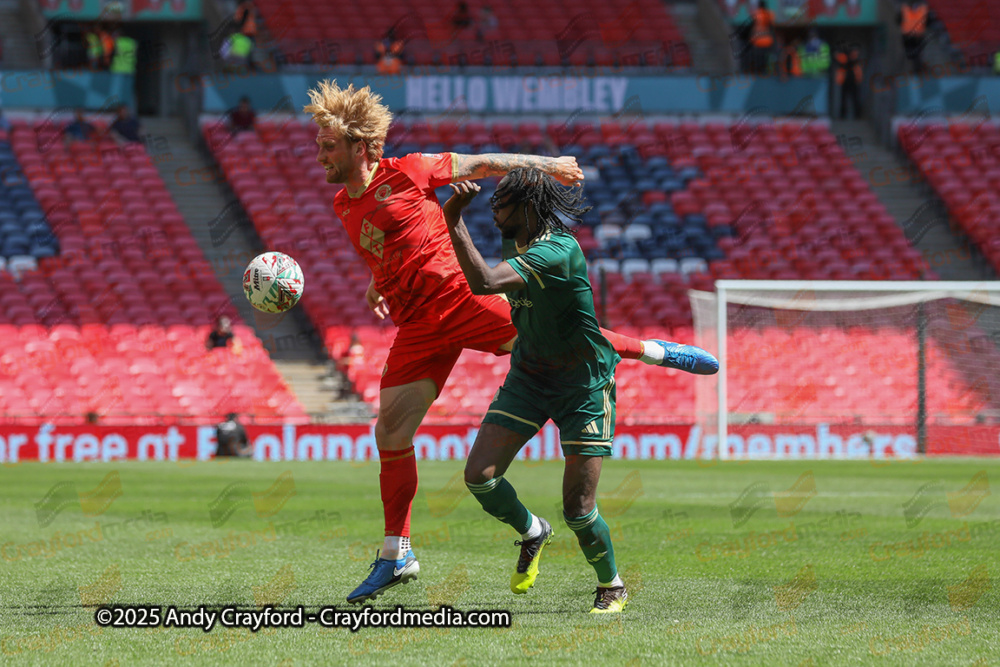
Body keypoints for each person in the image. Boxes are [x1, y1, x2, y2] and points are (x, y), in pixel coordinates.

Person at [303, 79, 718, 604]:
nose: (320, 154)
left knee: (555, 331)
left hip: (463, 298)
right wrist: (377, 283)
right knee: (390, 431)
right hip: (419, 326)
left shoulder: (409, 169)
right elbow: (388, 246)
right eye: (319, 144)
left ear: (359, 146)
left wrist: (549, 165)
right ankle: (401, 552)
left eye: (328, 145)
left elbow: (483, 163)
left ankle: (652, 350)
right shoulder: (343, 204)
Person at [442, 173, 639, 613]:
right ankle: (533, 531)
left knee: (578, 509)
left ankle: (612, 585)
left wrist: (453, 218)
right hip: (529, 377)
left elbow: (485, 282)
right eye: (493, 202)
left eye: (502, 203)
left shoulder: (557, 250)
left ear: (529, 205)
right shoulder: (516, 241)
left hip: (582, 384)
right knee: (479, 476)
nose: (494, 211)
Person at [835, 42, 863, 120]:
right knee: (844, 100)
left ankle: (857, 116)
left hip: (854, 82)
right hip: (845, 82)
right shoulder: (844, 58)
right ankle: (842, 116)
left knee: (855, 99)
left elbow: (858, 71)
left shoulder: (856, 61)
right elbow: (837, 57)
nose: (856, 53)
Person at [899, 0, 928, 75]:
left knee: (915, 55)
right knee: (912, 55)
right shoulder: (907, 9)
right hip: (911, 35)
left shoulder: (906, 9)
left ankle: (916, 71)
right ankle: (913, 71)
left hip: (915, 36)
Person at [750, 0, 776, 74]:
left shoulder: (756, 13)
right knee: (766, 56)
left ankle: (758, 70)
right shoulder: (770, 14)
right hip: (768, 40)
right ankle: (765, 70)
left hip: (757, 40)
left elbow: (752, 26)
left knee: (758, 57)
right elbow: (772, 27)